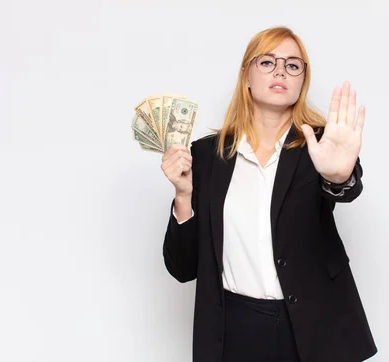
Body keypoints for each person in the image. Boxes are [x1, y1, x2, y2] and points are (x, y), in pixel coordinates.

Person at [160, 26, 377, 362]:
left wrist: (338, 176)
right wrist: (183, 196)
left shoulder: (322, 145)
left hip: (310, 325)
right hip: (234, 327)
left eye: (293, 65)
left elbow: (347, 187)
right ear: (246, 74)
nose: (280, 71)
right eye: (267, 62)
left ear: (302, 81)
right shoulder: (206, 156)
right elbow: (183, 268)